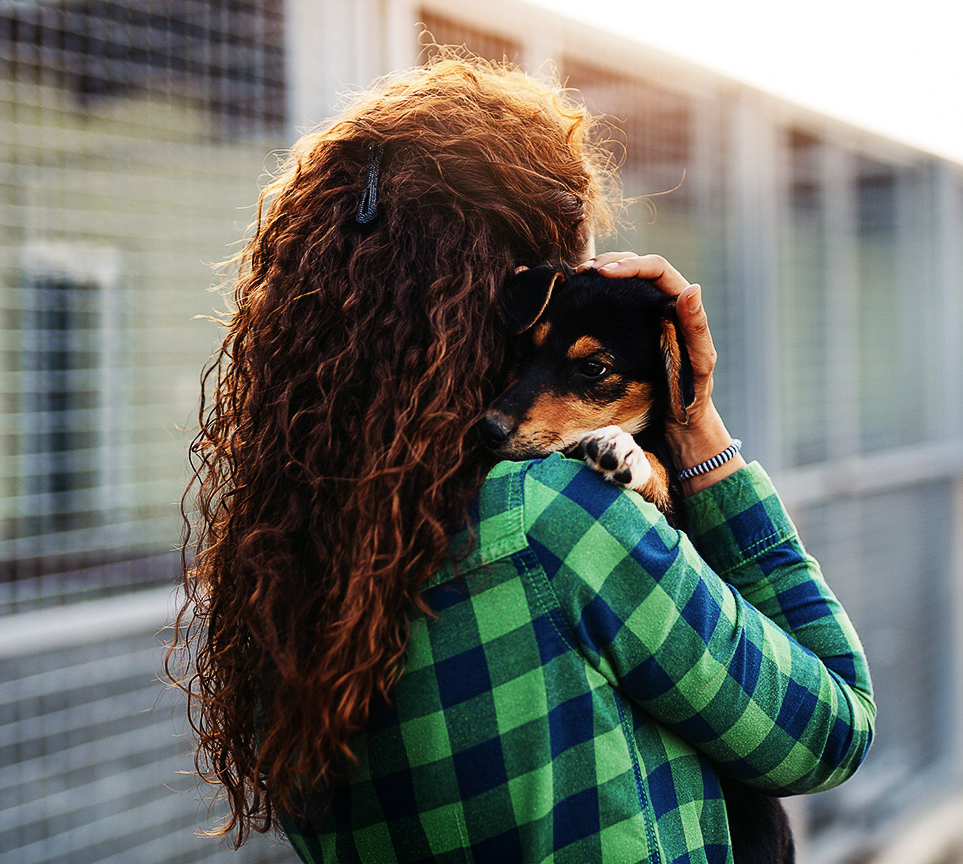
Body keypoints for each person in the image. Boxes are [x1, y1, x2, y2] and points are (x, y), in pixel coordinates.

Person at [169, 56, 874, 862]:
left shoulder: (280, 558)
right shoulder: (553, 517)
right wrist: (699, 434)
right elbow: (830, 729)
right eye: (573, 262)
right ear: (493, 296)